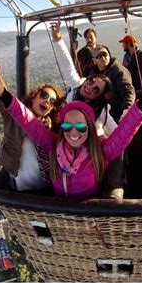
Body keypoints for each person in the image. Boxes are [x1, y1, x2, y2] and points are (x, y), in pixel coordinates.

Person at [0, 63, 142, 199]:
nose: (73, 132)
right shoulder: (55, 145)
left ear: (89, 128)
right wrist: (3, 94)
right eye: (67, 126)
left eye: (80, 127)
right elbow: (27, 119)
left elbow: (125, 130)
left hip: (86, 216)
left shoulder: (100, 151)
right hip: (60, 212)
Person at [0, 24, 64, 192]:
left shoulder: (53, 128)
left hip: (49, 188)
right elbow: (0, 87)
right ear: (35, 95)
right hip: (21, 189)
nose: (47, 101)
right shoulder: (14, 116)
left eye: (53, 101)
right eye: (44, 95)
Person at [50, 21, 125, 199]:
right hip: (65, 147)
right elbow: (68, 66)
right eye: (91, 81)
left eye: (96, 90)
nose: (90, 87)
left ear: (99, 97)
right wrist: (58, 39)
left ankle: (112, 190)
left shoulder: (103, 112)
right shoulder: (77, 86)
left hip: (88, 159)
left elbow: (118, 136)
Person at [88, 45, 136, 123]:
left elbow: (128, 91)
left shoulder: (119, 71)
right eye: (99, 56)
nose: (103, 58)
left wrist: (127, 110)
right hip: (102, 117)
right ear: (94, 60)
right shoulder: (92, 75)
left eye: (105, 54)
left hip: (118, 117)